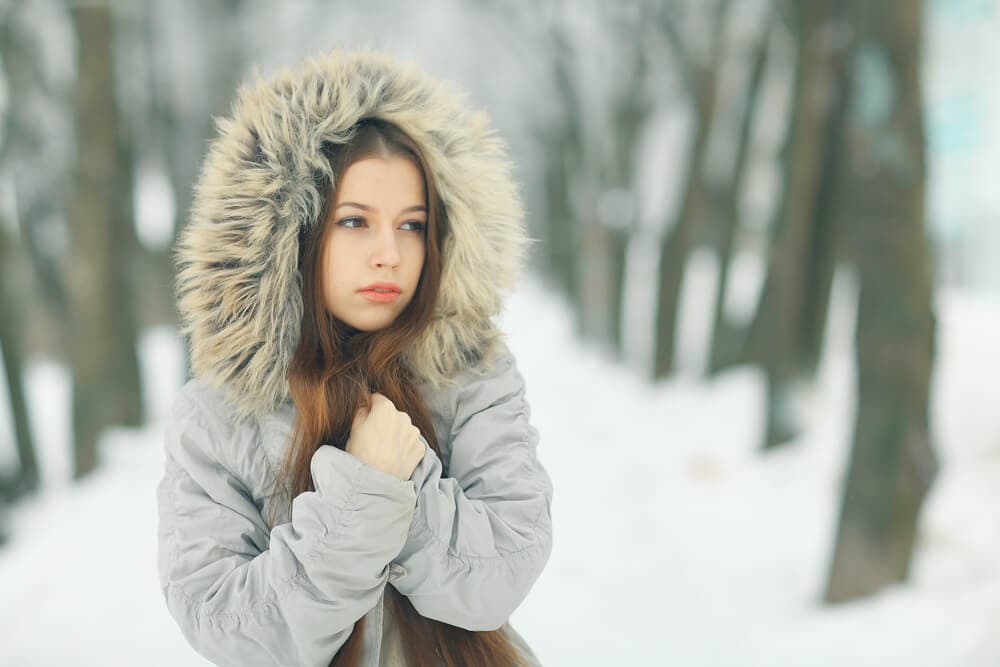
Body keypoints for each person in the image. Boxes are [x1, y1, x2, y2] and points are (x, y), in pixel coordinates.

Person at [156, 48, 554, 667]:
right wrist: (363, 492)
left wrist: (406, 488)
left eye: (412, 225)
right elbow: (229, 627)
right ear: (298, 231)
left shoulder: (473, 379)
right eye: (355, 222)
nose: (389, 254)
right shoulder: (221, 412)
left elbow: (499, 576)